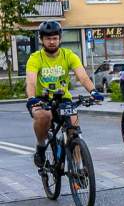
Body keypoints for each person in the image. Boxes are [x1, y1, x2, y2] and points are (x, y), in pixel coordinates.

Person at [25, 20, 104, 168]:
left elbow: (83, 77)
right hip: (41, 99)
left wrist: (93, 91)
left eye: (55, 38)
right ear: (41, 40)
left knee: (73, 128)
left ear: (60, 39)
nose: (52, 42)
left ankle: (78, 169)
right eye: (48, 38)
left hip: (63, 98)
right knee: (44, 116)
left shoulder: (69, 55)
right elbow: (31, 82)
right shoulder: (35, 58)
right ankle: (41, 146)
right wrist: (31, 98)